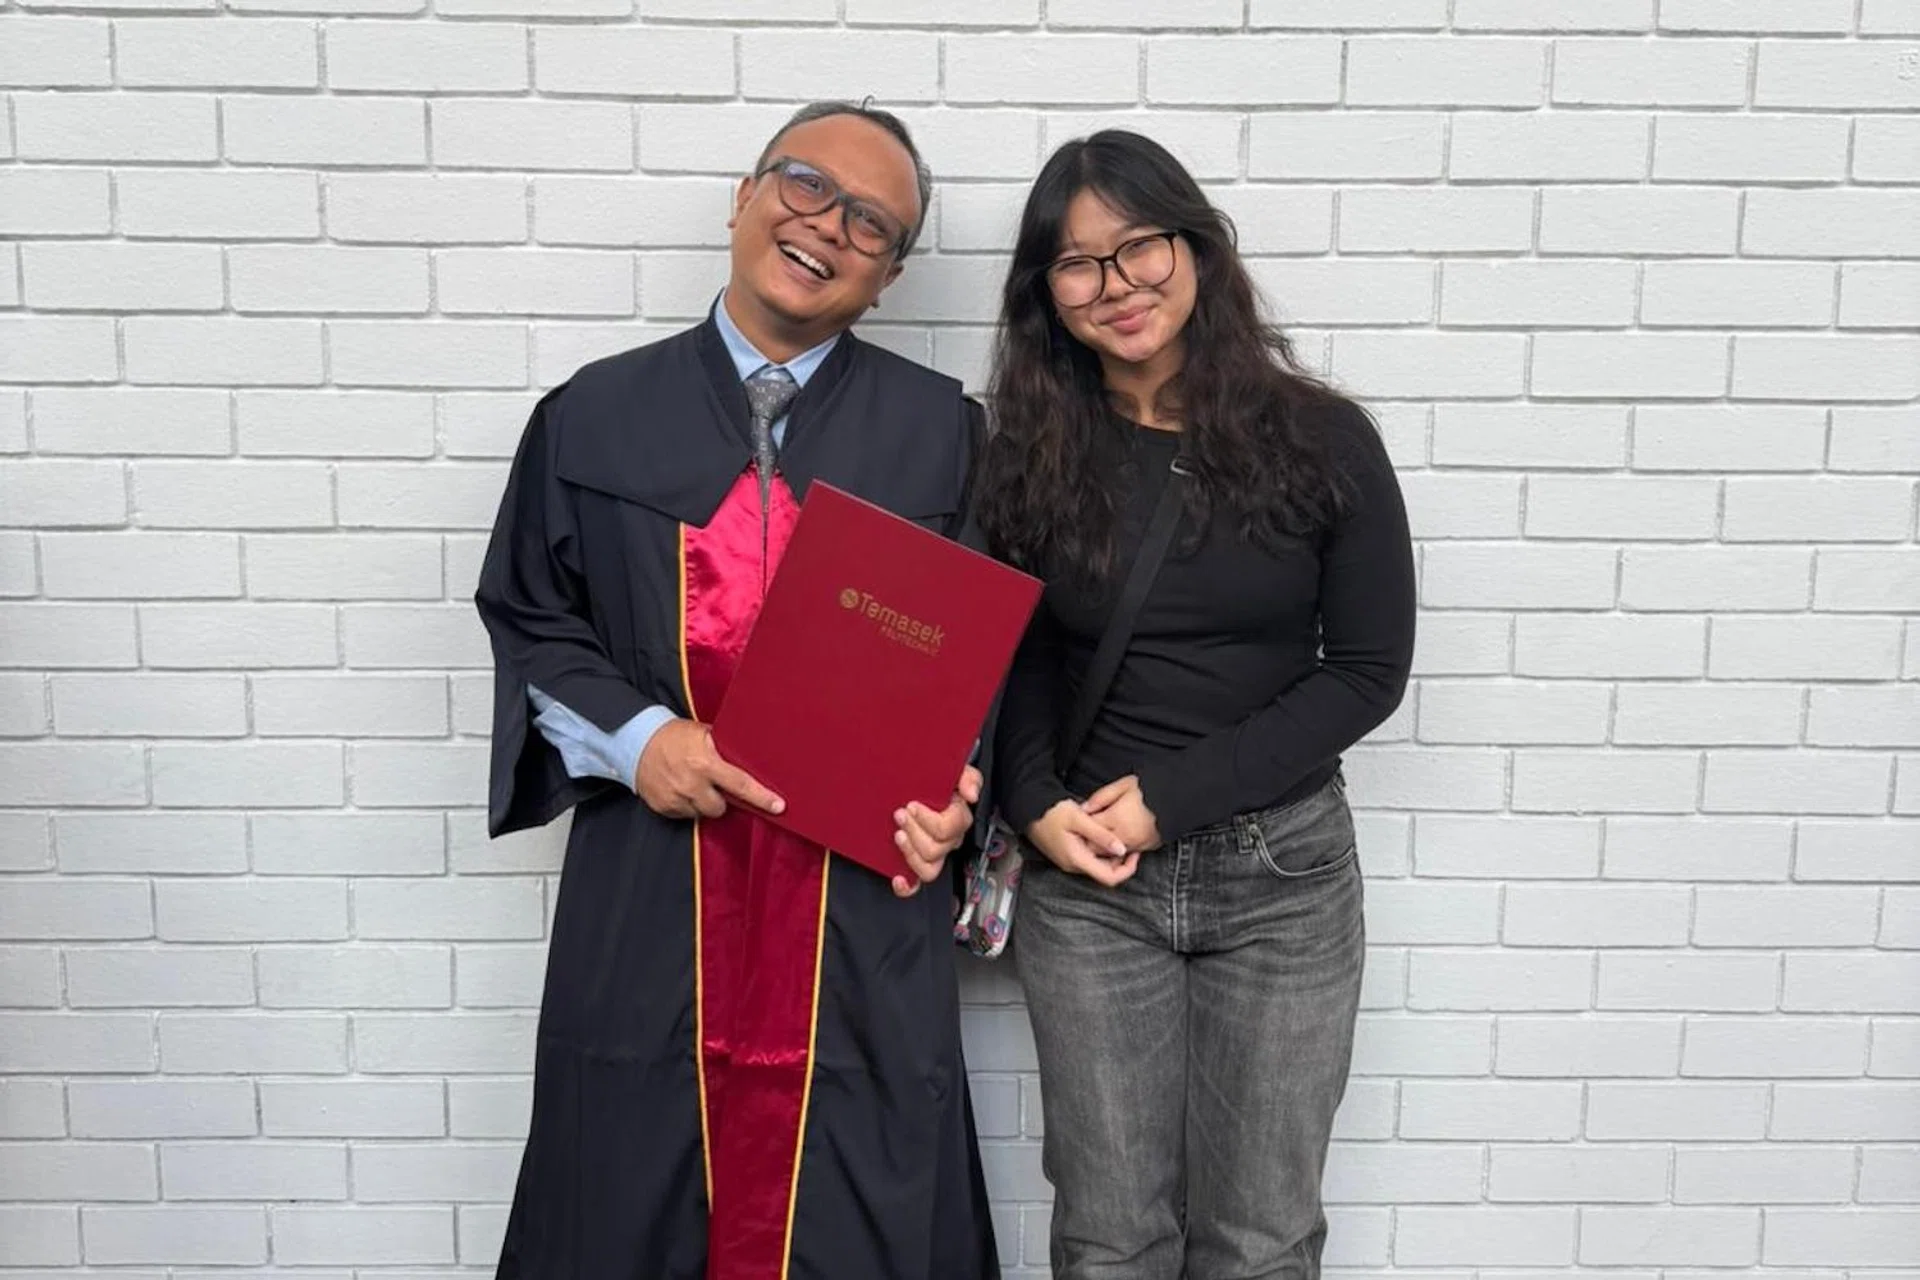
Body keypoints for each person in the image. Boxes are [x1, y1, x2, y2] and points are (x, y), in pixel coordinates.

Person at [474, 101, 999, 1280]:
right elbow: (529, 614)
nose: (827, 225)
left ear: (895, 273)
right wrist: (637, 732)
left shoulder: (945, 437)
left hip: (860, 904)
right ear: (745, 196)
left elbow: (989, 668)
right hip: (654, 883)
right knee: (624, 1184)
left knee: (859, 1198)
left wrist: (962, 790)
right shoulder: (592, 415)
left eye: (871, 222)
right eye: (805, 184)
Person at [975, 130, 1416, 1279]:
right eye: (1078, 263)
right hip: (1090, 887)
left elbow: (1367, 669)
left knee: (1262, 1237)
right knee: (1111, 1235)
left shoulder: (1325, 439)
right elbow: (1009, 653)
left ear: (1200, 249)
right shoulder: (1029, 446)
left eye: (1140, 248)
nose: (1116, 286)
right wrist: (1033, 803)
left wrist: (1170, 798)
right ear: (1046, 293)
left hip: (1284, 881)